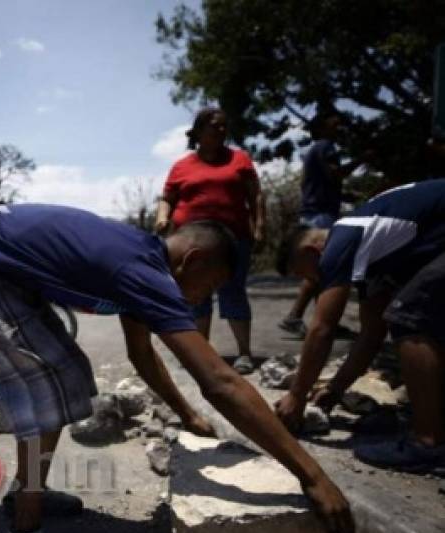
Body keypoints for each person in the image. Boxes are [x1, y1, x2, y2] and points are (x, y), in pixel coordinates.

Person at [0, 202, 354, 533]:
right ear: (193, 260)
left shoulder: (138, 259)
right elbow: (220, 382)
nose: (205, 298)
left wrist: (185, 414)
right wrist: (311, 474)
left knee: (68, 375)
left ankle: (25, 494)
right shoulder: (143, 271)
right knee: (44, 391)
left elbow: (141, 353)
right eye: (211, 284)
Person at [274, 179, 445, 474]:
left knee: (410, 317)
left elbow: (322, 329)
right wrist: (334, 390)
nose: (319, 283)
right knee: (418, 315)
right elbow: (371, 334)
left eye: (314, 276)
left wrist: (297, 395)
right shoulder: (374, 250)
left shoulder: (343, 238)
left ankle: (428, 445)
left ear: (314, 251)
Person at [155, 108, 265, 374]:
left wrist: (259, 226)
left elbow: (256, 195)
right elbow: (168, 198)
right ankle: (201, 352)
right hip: (193, 240)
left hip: (233, 237)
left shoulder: (239, 159)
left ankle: (244, 353)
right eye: (214, 126)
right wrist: (162, 218)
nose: (221, 131)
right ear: (199, 130)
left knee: (233, 290)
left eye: (224, 126)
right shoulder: (182, 165)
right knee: (195, 294)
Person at [279, 107, 364, 337]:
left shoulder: (314, 151)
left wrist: (343, 197)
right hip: (320, 213)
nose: (338, 123)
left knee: (320, 268)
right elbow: (336, 175)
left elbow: (322, 183)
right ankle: (304, 317)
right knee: (321, 267)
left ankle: (320, 319)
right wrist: (362, 159)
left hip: (314, 211)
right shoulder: (325, 147)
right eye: (332, 119)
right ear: (322, 126)